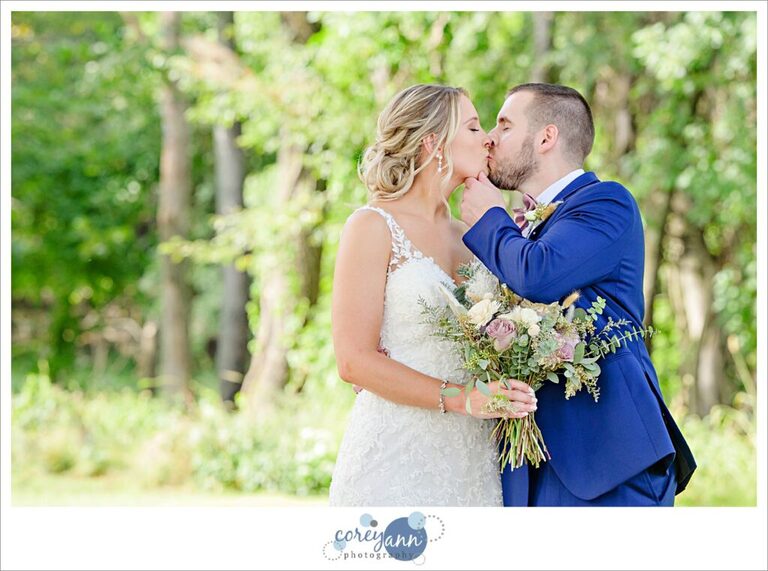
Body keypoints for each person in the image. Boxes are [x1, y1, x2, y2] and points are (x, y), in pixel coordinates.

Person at [460, 83, 697, 506]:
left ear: (546, 137)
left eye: (505, 125)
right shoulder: (520, 228)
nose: (491, 138)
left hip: (609, 458)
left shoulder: (606, 203)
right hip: (529, 462)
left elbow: (538, 274)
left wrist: (490, 217)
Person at [328, 84, 537, 506]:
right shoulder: (372, 226)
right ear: (432, 142)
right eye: (475, 127)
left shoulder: (476, 236)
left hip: (474, 458)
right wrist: (463, 400)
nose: (488, 139)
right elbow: (353, 361)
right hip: (395, 452)